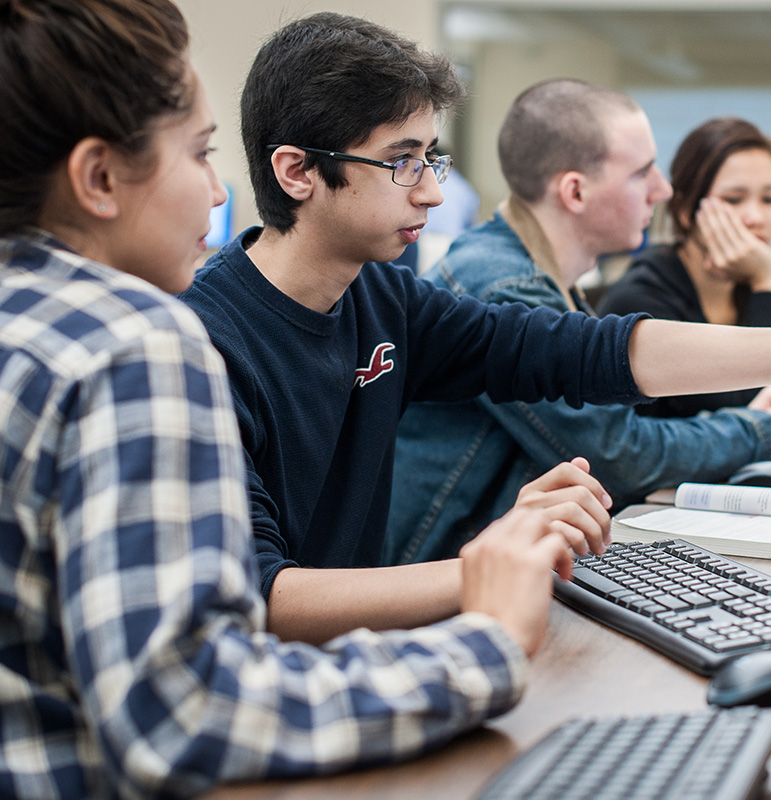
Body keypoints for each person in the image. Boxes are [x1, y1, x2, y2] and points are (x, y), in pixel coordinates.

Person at [0, 2, 611, 796]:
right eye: (198, 153)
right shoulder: (136, 340)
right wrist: (485, 638)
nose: (218, 189)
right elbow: (186, 714)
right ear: (99, 178)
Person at [180, 12, 771, 648]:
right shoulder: (206, 344)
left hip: (370, 653)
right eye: (401, 163)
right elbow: (262, 596)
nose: (431, 194)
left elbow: (576, 352)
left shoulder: (381, 295)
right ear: (298, 172)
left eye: (429, 160)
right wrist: (498, 561)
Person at [385, 80, 771, 565]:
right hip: (434, 573)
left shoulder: (547, 277)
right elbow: (619, 453)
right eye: (643, 172)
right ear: (576, 191)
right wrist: (759, 429)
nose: (661, 190)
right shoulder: (503, 285)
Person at [599, 117, 771, 417]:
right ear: (686, 210)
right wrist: (767, 281)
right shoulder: (640, 301)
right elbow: (751, 411)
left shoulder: (749, 290)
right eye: (733, 199)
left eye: (770, 198)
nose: (756, 216)